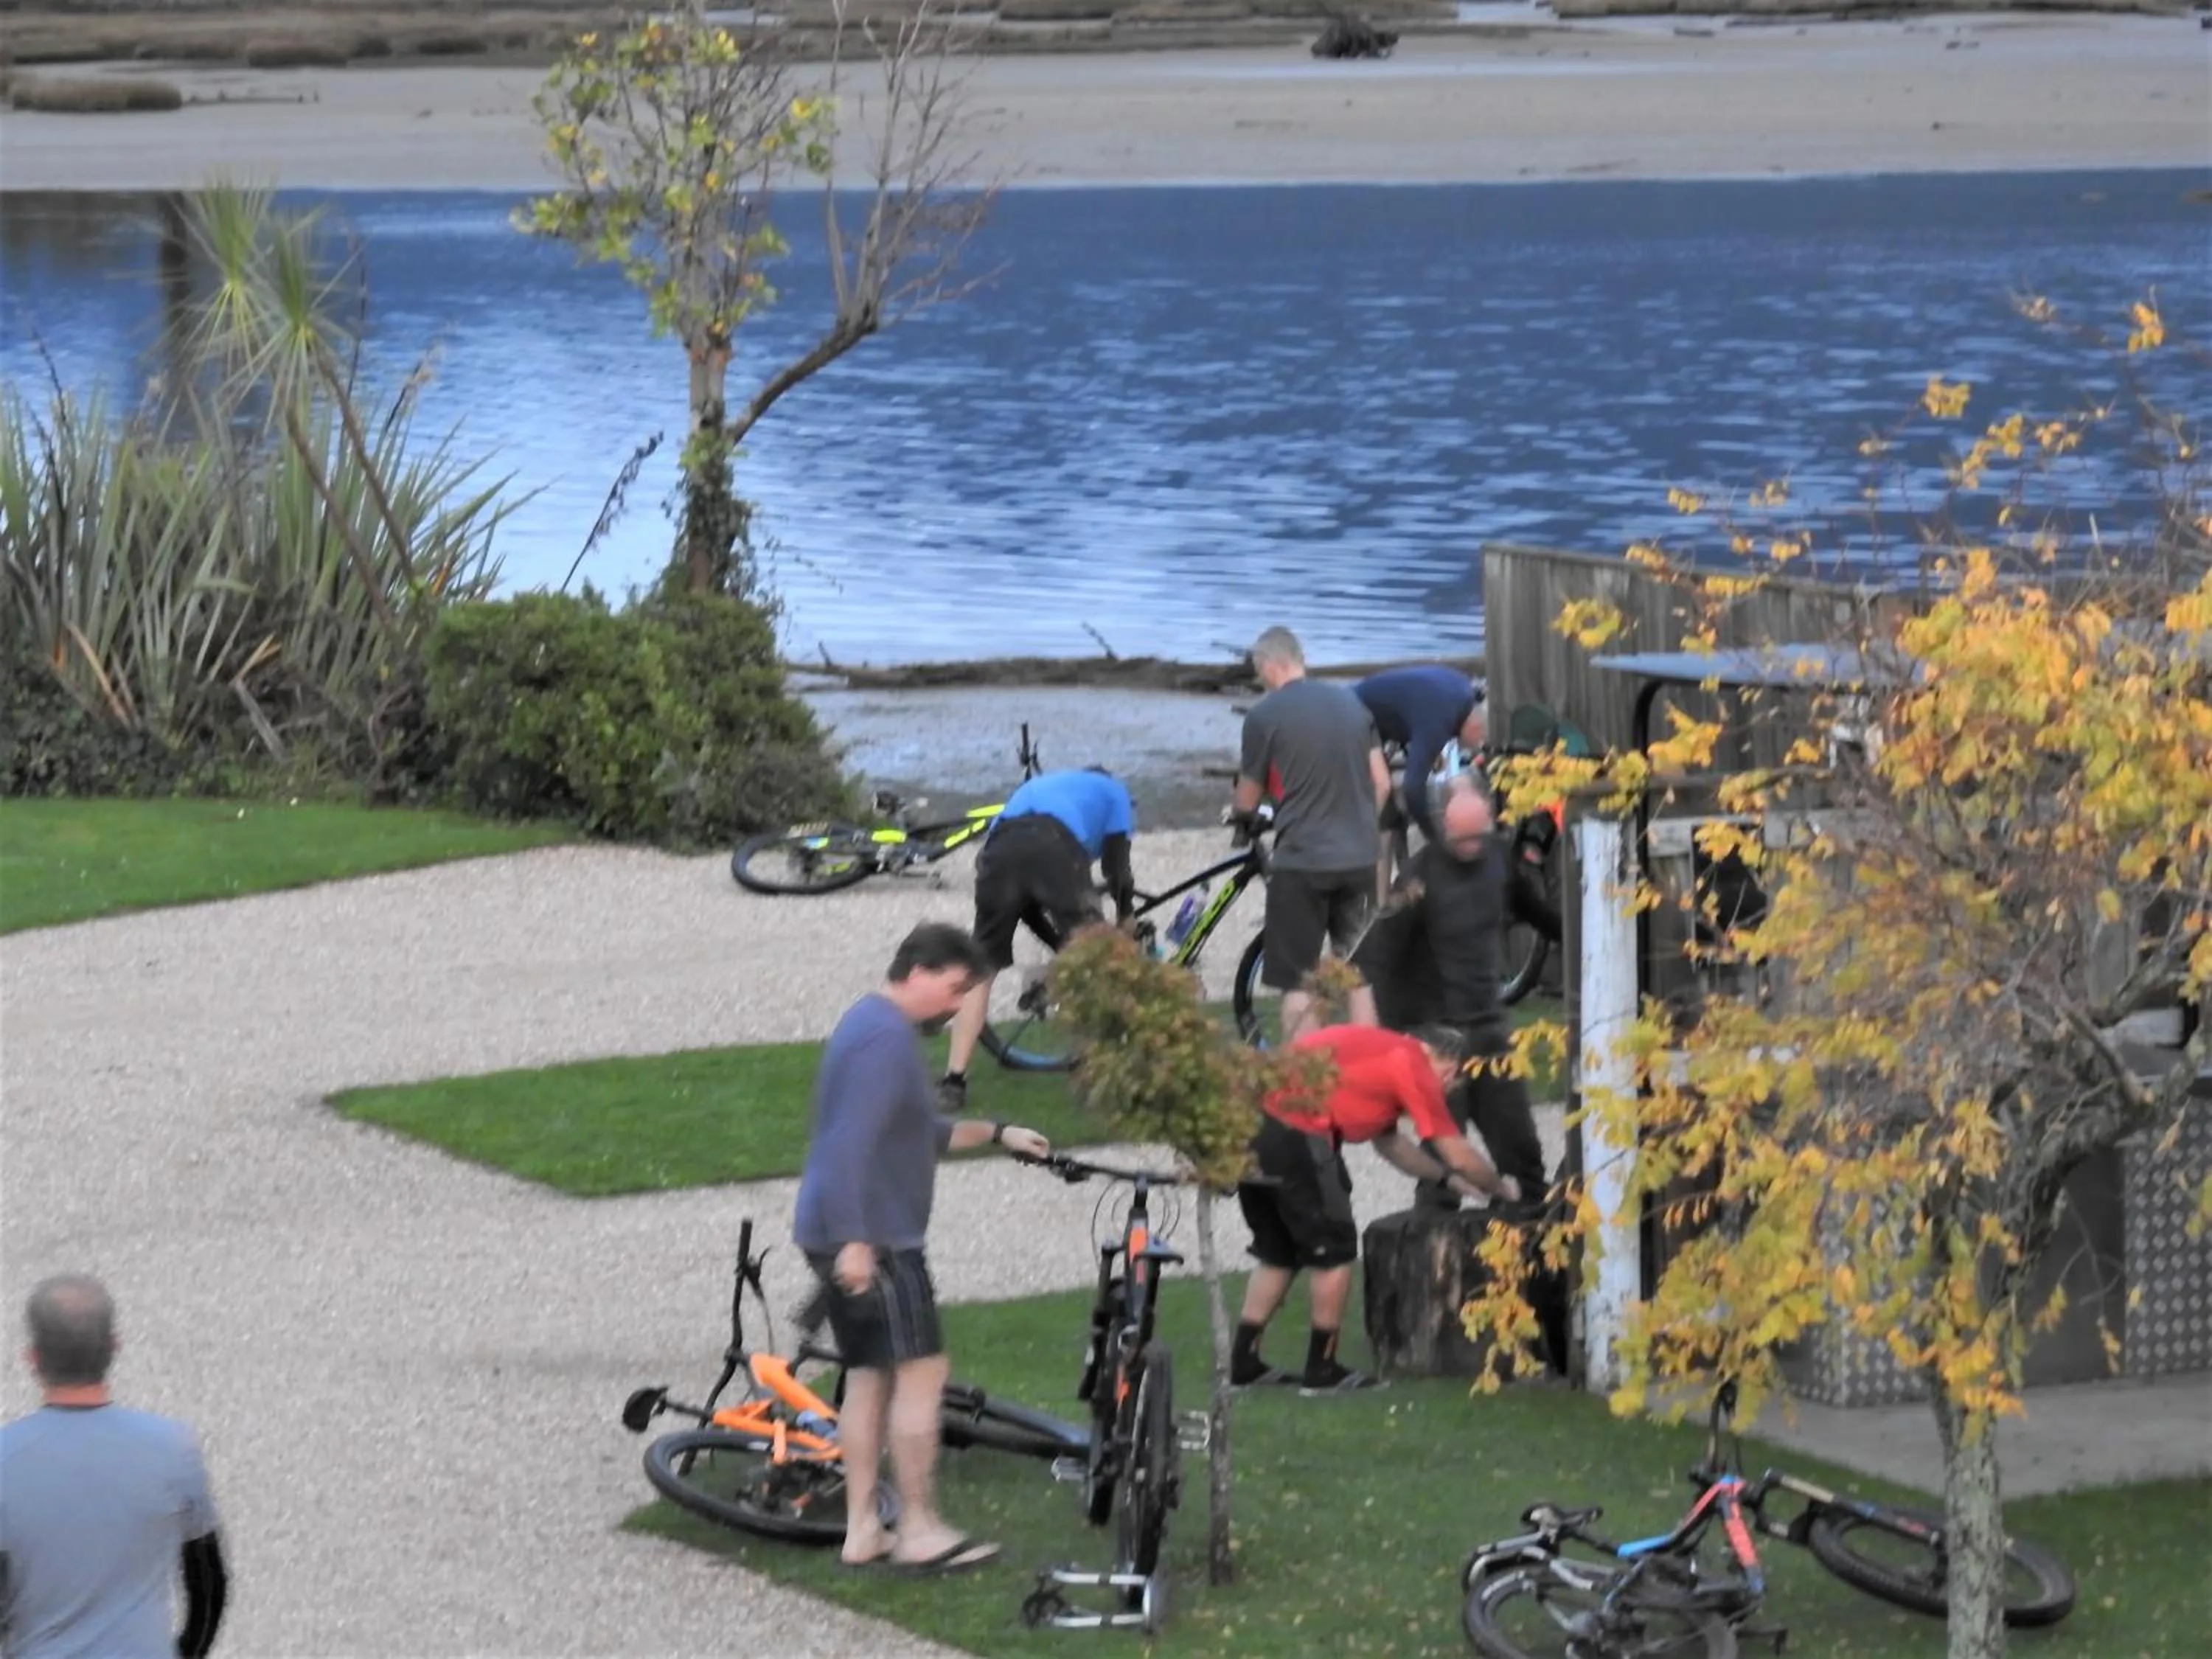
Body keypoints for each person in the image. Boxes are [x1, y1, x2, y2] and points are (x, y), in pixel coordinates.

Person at [792, 922, 1052, 1574]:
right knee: (921, 1372)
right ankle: (918, 1528)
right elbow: (848, 1144)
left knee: (870, 1375)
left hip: (843, 1231)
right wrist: (856, 1242)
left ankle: (862, 1529)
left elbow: (915, 1132)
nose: (958, 1005)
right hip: (875, 1238)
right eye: (955, 988)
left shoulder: (872, 1025)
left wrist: (998, 1132)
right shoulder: (883, 1041)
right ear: (917, 972)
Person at [1231, 1023, 1521, 1395]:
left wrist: (1448, 1180)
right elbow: (1458, 1153)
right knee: (1335, 1252)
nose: (1445, 1094)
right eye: (1451, 1089)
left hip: (1250, 1127)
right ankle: (1322, 1369)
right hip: (1298, 1136)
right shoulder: (1414, 1065)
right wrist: (1500, 1188)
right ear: (1450, 1071)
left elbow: (1391, 1145)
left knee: (1279, 1252)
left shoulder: (1384, 1052)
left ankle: (1244, 1364)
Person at [0, 1274, 228, 1659]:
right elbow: (208, 1584)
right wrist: (186, 1652)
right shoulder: (172, 1449)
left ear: (33, 1358)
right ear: (113, 1347)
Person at [940, 766, 1136, 1107]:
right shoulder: (1116, 792)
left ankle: (953, 1082)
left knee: (981, 970)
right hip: (1054, 846)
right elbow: (1117, 870)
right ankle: (1103, 1072)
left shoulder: (1042, 786)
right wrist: (1125, 915)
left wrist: (1058, 943)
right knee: (1097, 959)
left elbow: (1025, 905)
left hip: (999, 853)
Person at [1234, 627, 1390, 1043]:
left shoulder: (1264, 716)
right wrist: (1361, 826)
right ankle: (1368, 1066)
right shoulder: (1353, 705)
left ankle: (1306, 1074)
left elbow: (1248, 796)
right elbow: (1381, 783)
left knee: (1298, 980)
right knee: (1357, 974)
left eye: (1258, 670)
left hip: (1303, 862)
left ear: (1270, 664)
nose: (1259, 678)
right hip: (1359, 860)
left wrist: (1242, 815)